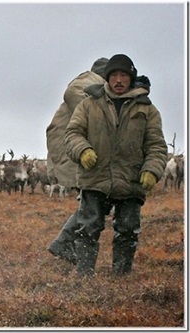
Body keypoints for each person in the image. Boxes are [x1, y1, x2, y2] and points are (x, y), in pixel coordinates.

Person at [64, 54, 168, 276]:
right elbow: (72, 134)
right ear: (107, 78)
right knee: (87, 229)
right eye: (114, 75)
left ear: (131, 78)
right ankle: (84, 277)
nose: (119, 80)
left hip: (130, 181)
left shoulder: (148, 110)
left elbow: (156, 146)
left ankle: (120, 279)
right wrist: (82, 150)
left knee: (128, 231)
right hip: (95, 178)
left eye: (123, 75)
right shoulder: (89, 104)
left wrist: (152, 169)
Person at [46, 57, 109, 265]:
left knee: (92, 201)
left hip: (73, 150)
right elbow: (72, 92)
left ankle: (67, 244)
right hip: (72, 151)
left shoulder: (95, 84)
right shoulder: (90, 79)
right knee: (93, 201)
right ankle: (64, 243)